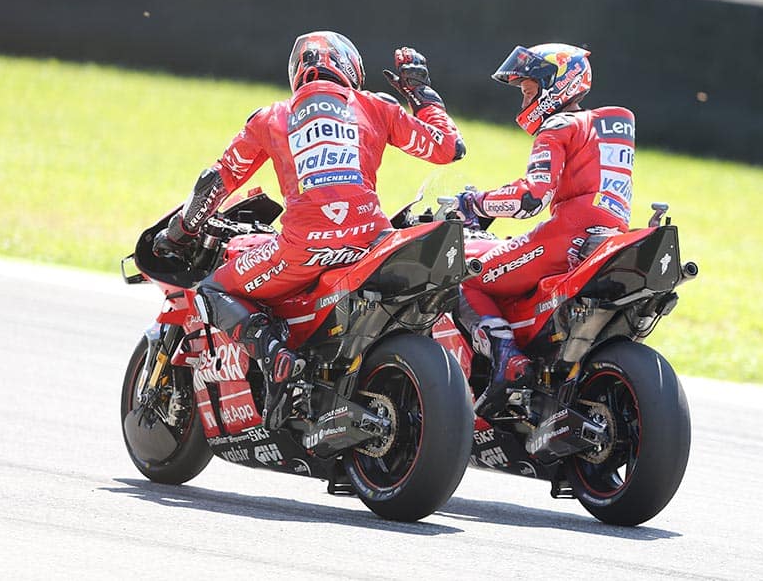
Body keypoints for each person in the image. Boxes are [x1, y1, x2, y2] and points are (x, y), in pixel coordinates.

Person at [153, 31, 465, 429]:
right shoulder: (377, 106)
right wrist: (420, 91)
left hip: (301, 250)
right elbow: (449, 148)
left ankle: (273, 355)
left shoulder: (270, 117)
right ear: (351, 68)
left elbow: (216, 180)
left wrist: (181, 230)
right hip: (372, 242)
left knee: (212, 289)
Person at [455, 43, 635, 418]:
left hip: (567, 236)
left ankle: (506, 357)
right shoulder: (615, 124)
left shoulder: (559, 124)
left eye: (529, 89)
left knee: (465, 278)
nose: (525, 100)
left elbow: (531, 198)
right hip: (613, 239)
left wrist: (475, 203)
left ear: (559, 83)